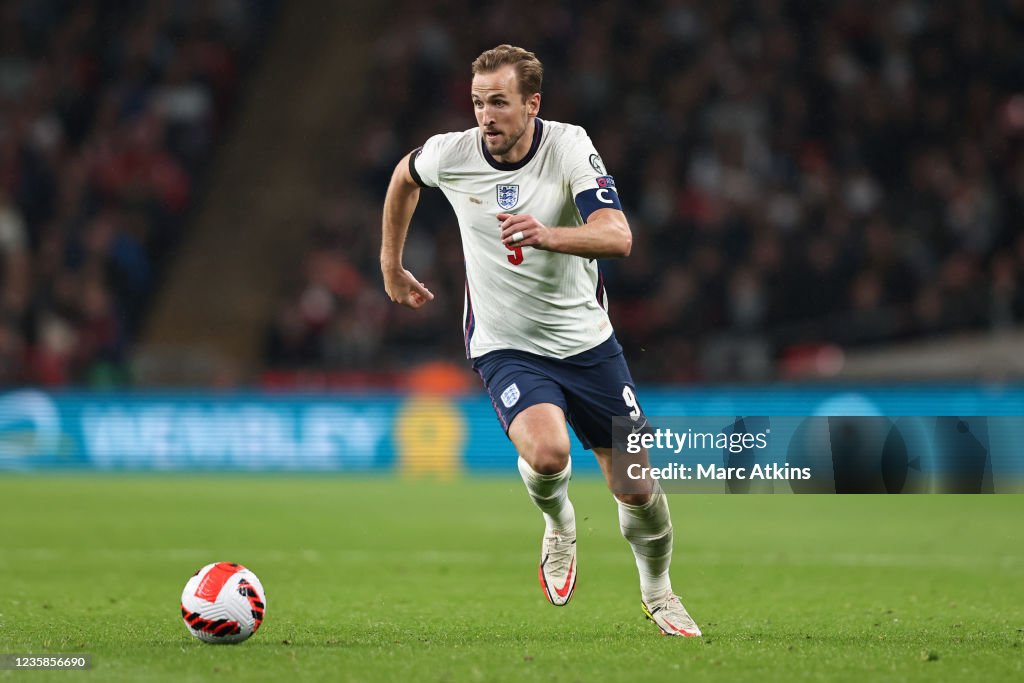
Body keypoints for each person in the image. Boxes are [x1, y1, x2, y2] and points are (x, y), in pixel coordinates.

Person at [380, 44, 700, 637]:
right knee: (548, 452)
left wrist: (549, 235)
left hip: (589, 345)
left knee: (636, 484)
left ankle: (659, 593)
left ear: (532, 104)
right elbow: (404, 177)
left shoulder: (570, 146)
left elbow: (618, 236)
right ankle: (559, 524)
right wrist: (391, 265)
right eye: (477, 102)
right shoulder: (452, 153)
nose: (485, 116)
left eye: (498, 102)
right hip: (507, 344)